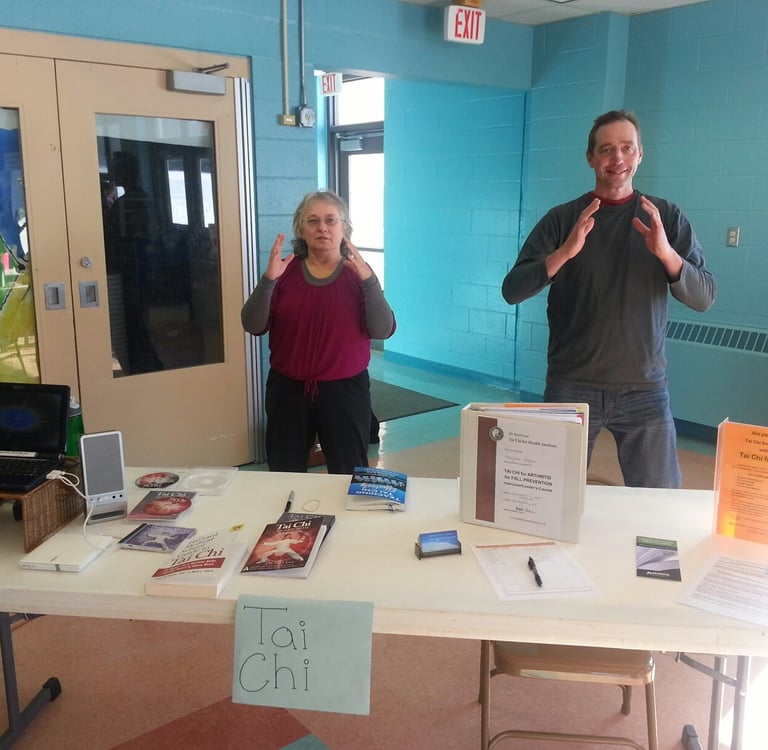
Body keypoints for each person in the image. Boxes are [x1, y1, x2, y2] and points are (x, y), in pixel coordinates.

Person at [501, 110, 715, 489]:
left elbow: (704, 297)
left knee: (659, 503)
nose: (617, 159)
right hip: (571, 386)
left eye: (626, 148)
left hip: (644, 388)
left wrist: (667, 254)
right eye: (606, 149)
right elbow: (512, 290)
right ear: (591, 158)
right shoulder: (563, 218)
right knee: (549, 497)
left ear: (639, 155)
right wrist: (565, 252)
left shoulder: (665, 217)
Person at [241, 190, 396, 474]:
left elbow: (382, 329)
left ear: (344, 227)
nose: (322, 227)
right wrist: (267, 281)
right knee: (284, 474)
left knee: (348, 476)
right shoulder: (283, 273)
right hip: (288, 391)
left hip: (345, 393)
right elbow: (253, 325)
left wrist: (371, 282)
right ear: (300, 228)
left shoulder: (358, 274)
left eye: (330, 220)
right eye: (312, 220)